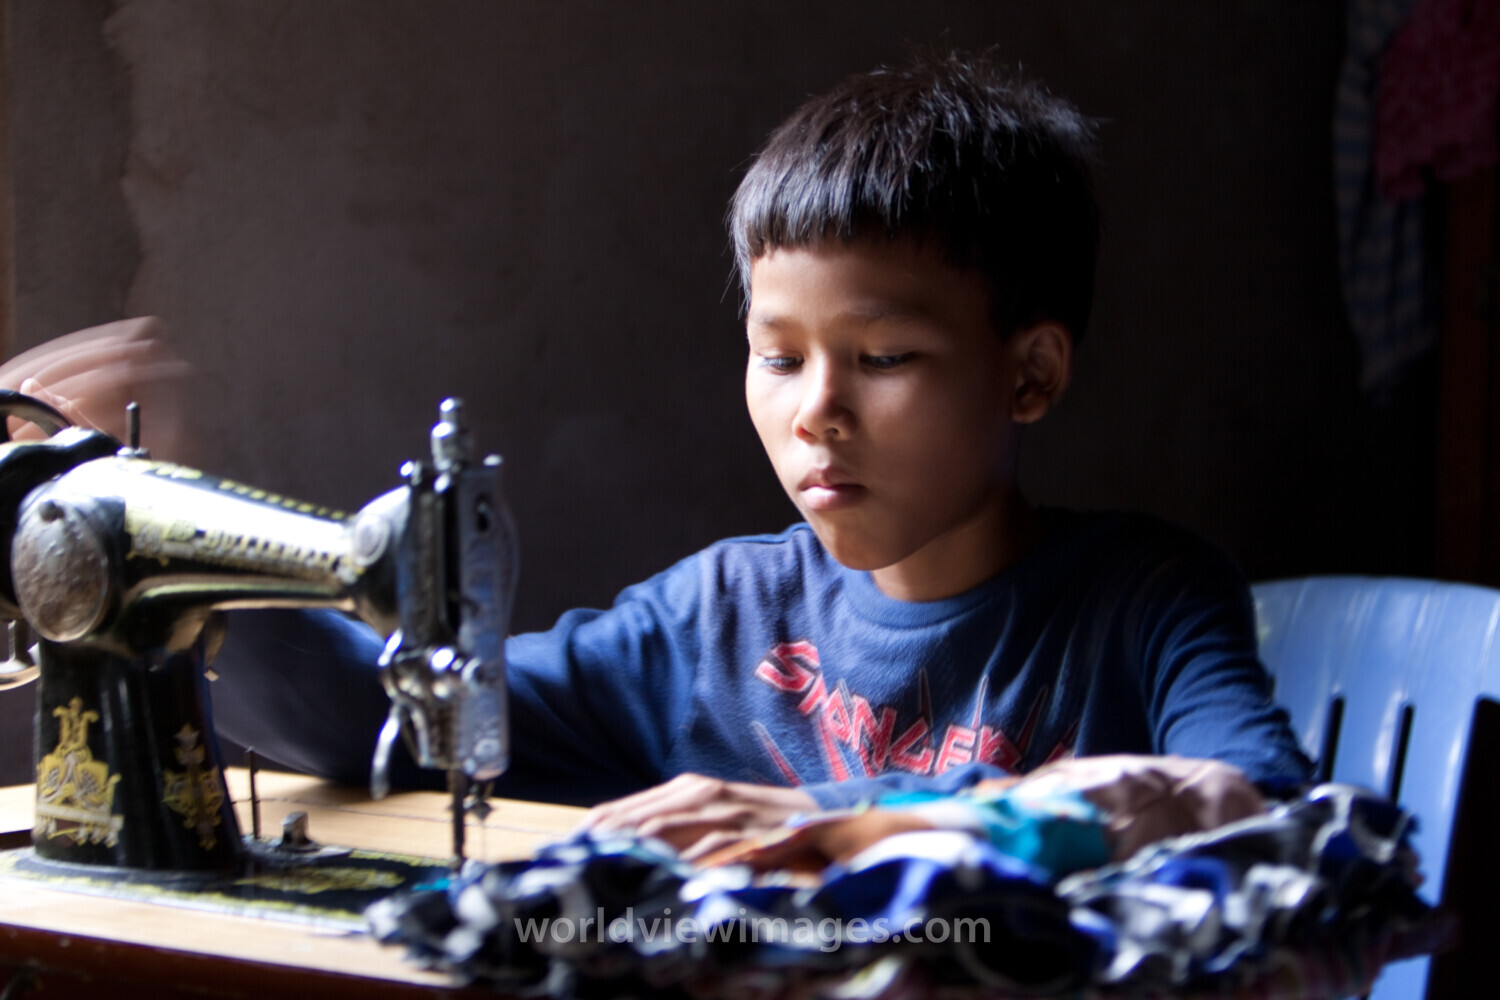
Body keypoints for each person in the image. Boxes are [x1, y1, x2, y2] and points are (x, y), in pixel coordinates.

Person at [5, 54, 1312, 860]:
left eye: (884, 357)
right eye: (779, 357)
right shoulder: (716, 620)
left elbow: (1257, 802)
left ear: (1030, 372)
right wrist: (147, 533)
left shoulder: (1139, 602)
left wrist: (849, 824)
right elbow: (370, 725)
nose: (818, 411)